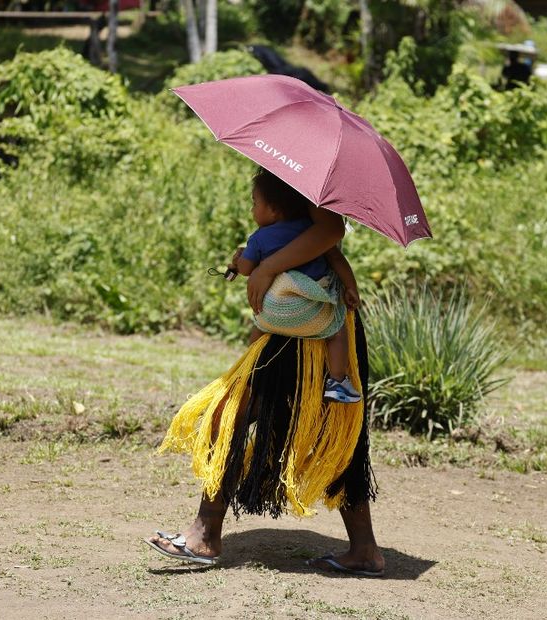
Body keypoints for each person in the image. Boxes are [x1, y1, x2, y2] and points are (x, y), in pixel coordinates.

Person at [144, 170, 385, 577]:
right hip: (304, 330)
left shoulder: (311, 171)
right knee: (249, 417)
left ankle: (206, 534)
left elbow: (331, 230)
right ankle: (362, 549)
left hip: (312, 333)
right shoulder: (296, 168)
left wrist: (265, 266)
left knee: (245, 415)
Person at [233, 168, 361, 403]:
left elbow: (246, 270)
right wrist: (351, 287)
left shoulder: (259, 238)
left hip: (272, 311)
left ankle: (248, 368)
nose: (252, 209)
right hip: (313, 312)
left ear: (273, 210)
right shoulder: (309, 231)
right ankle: (337, 380)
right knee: (337, 328)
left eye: (254, 203)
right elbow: (336, 259)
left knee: (258, 324)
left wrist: (239, 261)